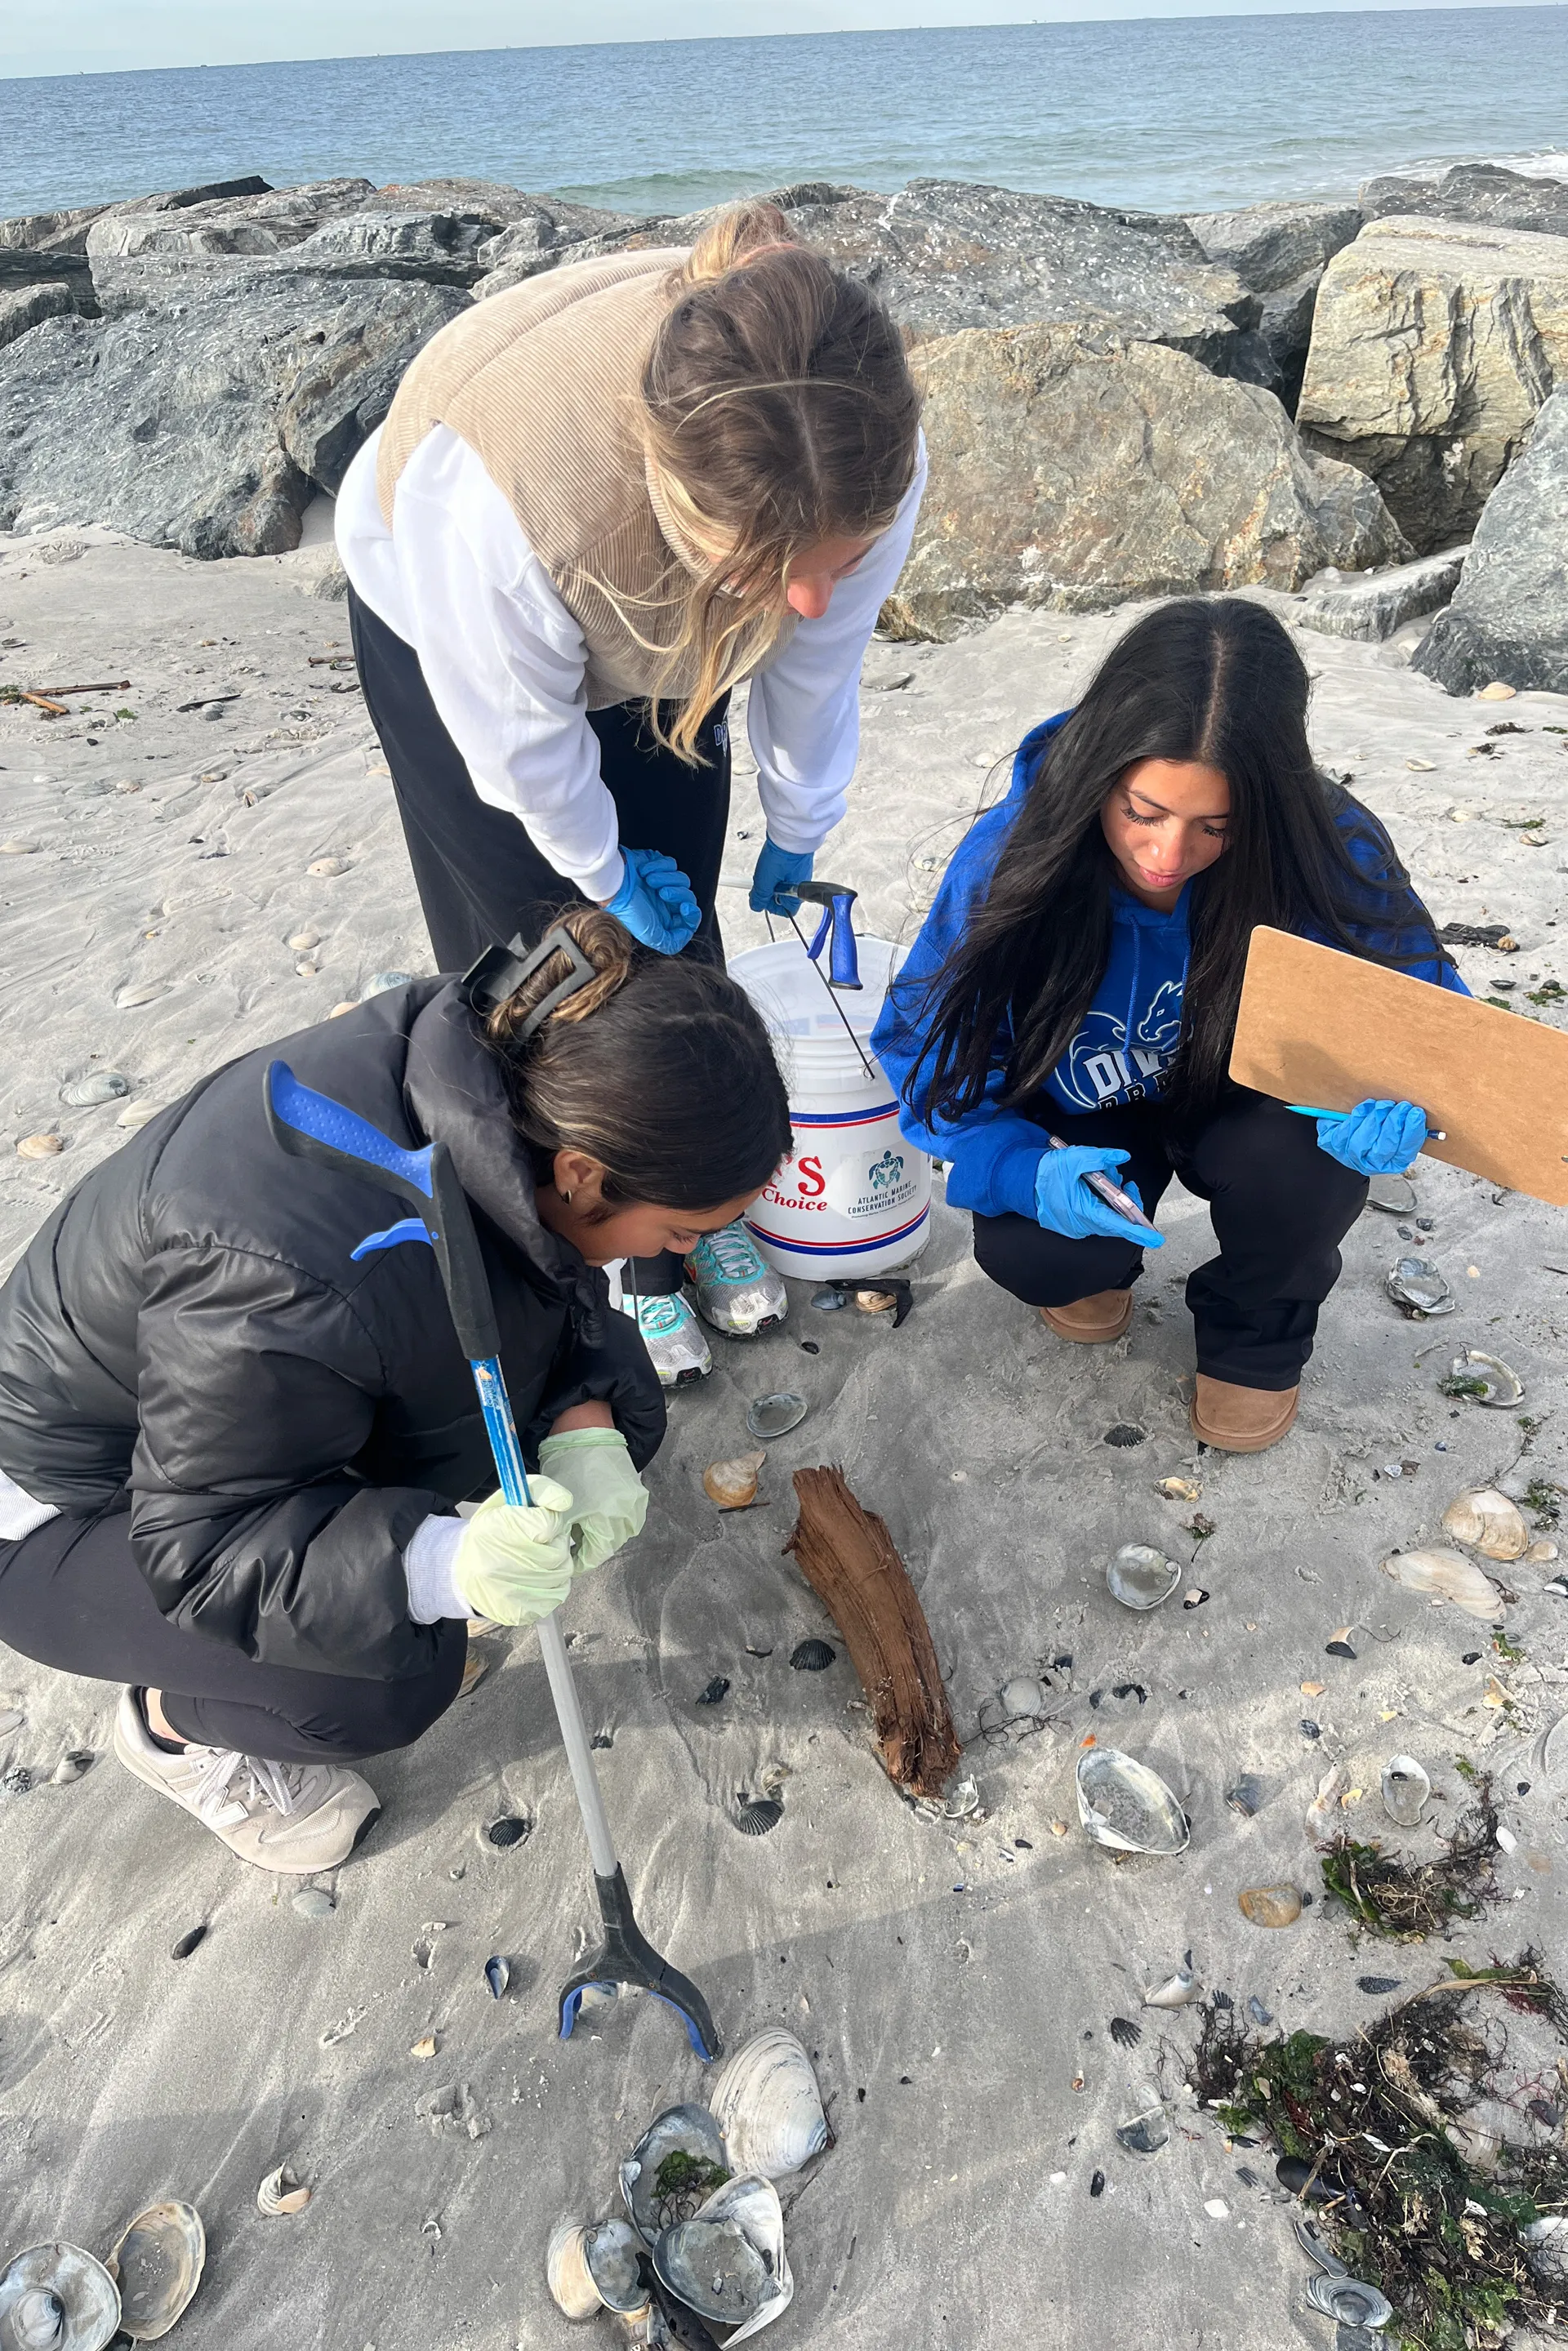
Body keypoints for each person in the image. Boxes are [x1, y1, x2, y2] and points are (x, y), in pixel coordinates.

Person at [0, 911, 791, 1872]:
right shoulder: (281, 1271)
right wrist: (443, 1565)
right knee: (384, 1681)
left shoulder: (512, 1070)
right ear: (584, 1175)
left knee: (592, 1439)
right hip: (74, 1505)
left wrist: (586, 1425)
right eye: (680, 1233)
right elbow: (207, 1551)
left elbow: (542, 1279)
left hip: (241, 1427)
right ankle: (171, 1724)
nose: (685, 1251)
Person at [336, 197, 926, 1385]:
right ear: (678, 495)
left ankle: (690, 1209)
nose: (811, 597)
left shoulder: (857, 440)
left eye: (841, 558)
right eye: (771, 568)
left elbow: (817, 657)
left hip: (669, 605)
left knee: (681, 935)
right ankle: (613, 1259)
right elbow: (521, 750)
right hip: (449, 614)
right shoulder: (498, 507)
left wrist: (800, 822)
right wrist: (600, 870)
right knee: (543, 959)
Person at [873, 598, 1468, 1454]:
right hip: (1085, 1104)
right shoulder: (1014, 851)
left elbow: (1438, 1020)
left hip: (1253, 1110)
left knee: (1311, 1166)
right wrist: (1013, 1165)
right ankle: (1100, 1264)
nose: (1166, 856)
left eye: (1215, 826)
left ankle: (1254, 1334)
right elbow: (924, 1044)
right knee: (1039, 1252)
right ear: (1098, 773)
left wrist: (1404, 1100)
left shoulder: (1328, 846)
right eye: (1141, 811)